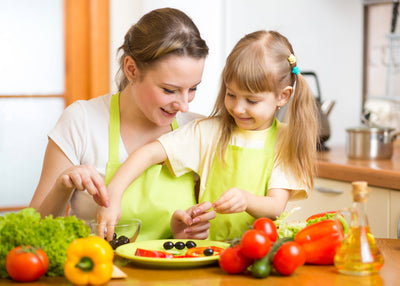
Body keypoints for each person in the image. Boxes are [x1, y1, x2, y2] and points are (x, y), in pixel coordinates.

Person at [98, 30, 318, 241]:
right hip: (208, 254)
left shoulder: (286, 141)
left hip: (258, 255)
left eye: (251, 101)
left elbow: (275, 207)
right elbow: (148, 153)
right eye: (231, 94)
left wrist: (246, 200)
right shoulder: (208, 131)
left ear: (283, 96)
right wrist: (114, 195)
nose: (238, 108)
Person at [29, 7, 216, 241]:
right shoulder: (81, 121)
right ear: (131, 69)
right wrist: (62, 186)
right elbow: (32, 231)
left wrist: (188, 231)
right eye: (169, 90)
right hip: (97, 272)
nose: (183, 105)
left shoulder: (198, 129)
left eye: (193, 89)